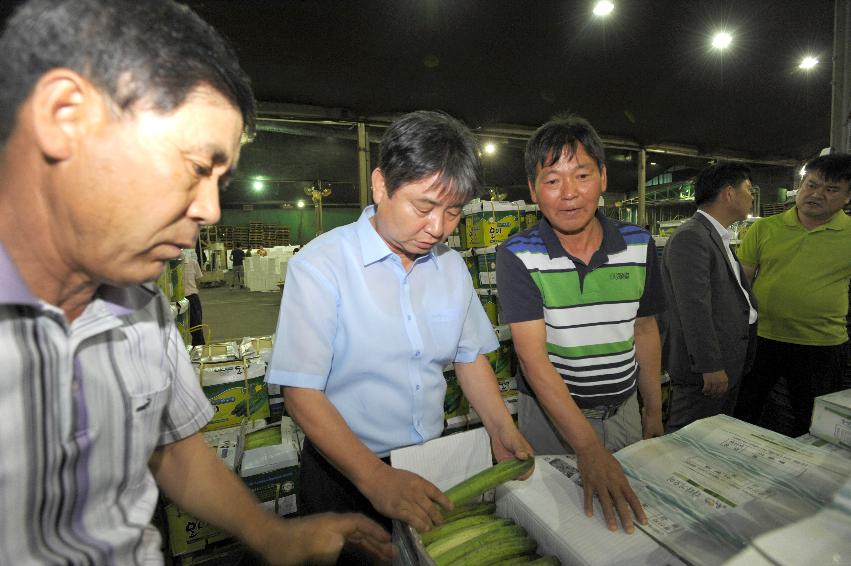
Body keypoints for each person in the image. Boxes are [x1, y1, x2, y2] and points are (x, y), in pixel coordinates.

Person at [0, 1, 392, 564]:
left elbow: (174, 446)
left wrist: (272, 534)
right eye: (194, 167)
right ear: (65, 117)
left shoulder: (140, 305)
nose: (210, 209)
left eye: (221, 179)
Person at [267, 110, 533, 564]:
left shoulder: (450, 267)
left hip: (427, 463)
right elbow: (301, 394)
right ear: (380, 185)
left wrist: (501, 428)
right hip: (344, 475)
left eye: (453, 212)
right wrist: (375, 478)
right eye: (424, 207)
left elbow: (469, 358)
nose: (439, 228)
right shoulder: (321, 266)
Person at [496, 115, 665, 533]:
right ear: (534, 191)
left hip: (624, 412)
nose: (569, 194)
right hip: (550, 421)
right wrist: (588, 447)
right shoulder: (518, 255)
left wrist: (654, 412)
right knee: (557, 527)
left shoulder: (640, 245)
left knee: (625, 527)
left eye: (582, 175)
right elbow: (532, 360)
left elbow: (644, 329)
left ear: (603, 178)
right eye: (552, 180)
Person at [734, 153, 851, 436]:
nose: (817, 194)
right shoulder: (764, 228)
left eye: (831, 189)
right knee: (745, 411)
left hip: (822, 344)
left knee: (811, 422)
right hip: (762, 339)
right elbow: (740, 285)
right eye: (811, 184)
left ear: (847, 198)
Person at [661, 162, 758, 433]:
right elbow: (694, 308)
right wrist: (710, 365)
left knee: (712, 436)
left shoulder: (717, 237)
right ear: (729, 193)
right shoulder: (692, 237)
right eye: (748, 189)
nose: (752, 197)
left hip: (727, 364)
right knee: (688, 439)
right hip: (705, 373)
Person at [183, 249, 206, 346]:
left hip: (180, 300)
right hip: (191, 298)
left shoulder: (167, 264)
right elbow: (199, 280)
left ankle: (196, 350)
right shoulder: (193, 262)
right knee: (196, 328)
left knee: (193, 328)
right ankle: (198, 351)